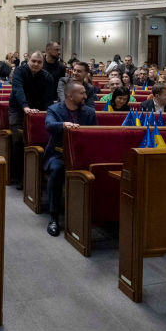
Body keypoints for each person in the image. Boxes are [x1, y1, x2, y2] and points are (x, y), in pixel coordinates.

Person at [43, 80, 97, 236]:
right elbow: (49, 125)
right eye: (81, 93)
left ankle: (92, 216)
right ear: (69, 95)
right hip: (59, 154)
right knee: (57, 170)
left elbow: (94, 134)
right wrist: (63, 125)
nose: (85, 96)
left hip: (83, 155)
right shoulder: (54, 109)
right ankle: (53, 217)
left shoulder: (89, 112)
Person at [8, 51, 57, 187]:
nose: (36, 64)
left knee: (42, 140)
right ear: (28, 61)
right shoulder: (19, 71)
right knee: (18, 140)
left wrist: (47, 115)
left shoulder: (48, 77)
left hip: (37, 110)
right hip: (18, 109)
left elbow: (47, 99)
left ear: (43, 64)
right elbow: (18, 90)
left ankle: (38, 175)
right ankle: (18, 176)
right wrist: (25, 107)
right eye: (33, 61)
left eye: (39, 62)